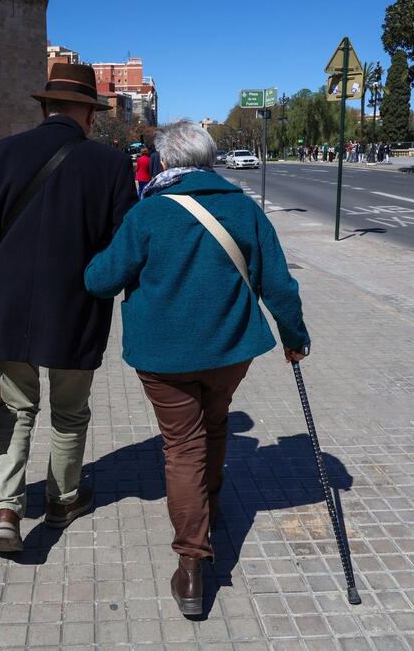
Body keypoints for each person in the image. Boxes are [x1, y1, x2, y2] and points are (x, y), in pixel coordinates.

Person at [84, 120, 310, 617]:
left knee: (181, 446)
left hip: (164, 357)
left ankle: (191, 564)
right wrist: (295, 339)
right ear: (209, 161)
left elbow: (101, 280)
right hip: (231, 352)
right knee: (216, 421)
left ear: (164, 163)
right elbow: (280, 285)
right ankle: (209, 500)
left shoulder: (148, 215)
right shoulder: (243, 208)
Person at [0, 63, 138, 553]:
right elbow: (124, 247)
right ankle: (62, 500)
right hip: (77, 308)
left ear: (44, 107)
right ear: (89, 115)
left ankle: (8, 509)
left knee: (15, 410)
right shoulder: (111, 165)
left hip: (7, 308)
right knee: (70, 412)